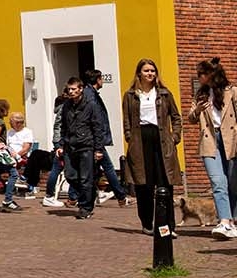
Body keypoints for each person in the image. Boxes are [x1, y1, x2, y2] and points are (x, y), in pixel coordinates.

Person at [122, 59, 183, 238]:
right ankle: (147, 223)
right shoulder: (131, 95)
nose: (150, 74)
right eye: (146, 71)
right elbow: (127, 119)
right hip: (140, 140)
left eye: (153, 71)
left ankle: (167, 227)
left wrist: (175, 136)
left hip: (161, 138)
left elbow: (176, 117)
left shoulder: (164, 94)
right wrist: (129, 138)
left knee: (165, 184)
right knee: (144, 184)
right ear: (139, 73)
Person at [187, 57, 237, 238]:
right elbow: (191, 118)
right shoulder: (200, 94)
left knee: (233, 183)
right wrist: (198, 109)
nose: (199, 77)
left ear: (212, 75)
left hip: (231, 140)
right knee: (218, 182)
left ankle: (233, 220)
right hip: (210, 140)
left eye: (202, 73)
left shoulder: (231, 92)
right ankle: (224, 221)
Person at [60, 77, 109, 219]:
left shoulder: (91, 105)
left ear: (81, 89)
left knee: (85, 178)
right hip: (70, 145)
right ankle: (89, 193)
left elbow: (97, 128)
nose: (71, 92)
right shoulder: (66, 106)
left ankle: (85, 207)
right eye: (69, 89)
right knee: (70, 175)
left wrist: (98, 149)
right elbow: (63, 125)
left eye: (74, 89)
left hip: (86, 145)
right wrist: (60, 144)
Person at [83, 69, 130, 206]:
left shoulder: (90, 94)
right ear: (97, 80)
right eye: (101, 78)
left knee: (94, 169)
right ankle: (121, 196)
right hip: (95, 139)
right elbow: (96, 119)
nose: (102, 80)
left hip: (94, 138)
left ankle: (87, 195)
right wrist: (99, 139)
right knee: (107, 167)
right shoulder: (91, 96)